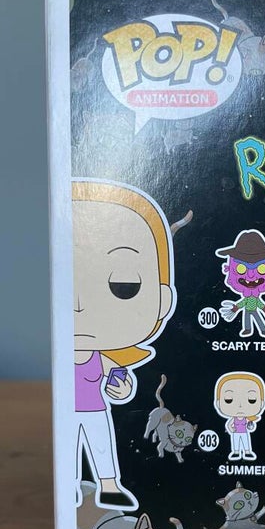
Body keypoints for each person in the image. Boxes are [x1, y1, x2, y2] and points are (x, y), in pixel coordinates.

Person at [73, 180, 176, 509]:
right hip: (57, 416)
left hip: (95, 410)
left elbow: (119, 380)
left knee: (101, 444)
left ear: (162, 300)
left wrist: (122, 386)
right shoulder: (53, 357)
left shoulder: (99, 358)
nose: (77, 305)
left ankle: (108, 484)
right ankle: (68, 486)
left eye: (124, 285)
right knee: (66, 450)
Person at [216, 230, 265, 338]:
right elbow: (243, 302)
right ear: (228, 268)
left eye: (262, 268)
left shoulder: (253, 297)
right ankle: (249, 329)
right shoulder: (248, 297)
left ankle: (262, 330)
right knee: (248, 318)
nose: (251, 276)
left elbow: (257, 302)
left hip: (252, 309)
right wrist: (236, 308)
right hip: (248, 309)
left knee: (257, 318)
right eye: (241, 268)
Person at [214, 372, 265, 461]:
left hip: (244, 432)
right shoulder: (234, 419)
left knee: (245, 442)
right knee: (236, 442)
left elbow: (250, 425)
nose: (240, 405)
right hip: (236, 433)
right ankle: (236, 452)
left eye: (252, 400)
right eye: (228, 400)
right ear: (218, 403)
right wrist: (232, 430)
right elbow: (229, 425)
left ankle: (247, 452)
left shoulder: (247, 418)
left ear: (261, 403)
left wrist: (250, 425)